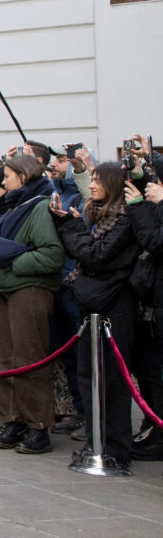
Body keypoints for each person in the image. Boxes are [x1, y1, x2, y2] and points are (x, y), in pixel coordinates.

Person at [51, 161, 142, 469]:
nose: (91, 185)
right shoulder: (98, 215)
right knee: (89, 376)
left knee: (113, 381)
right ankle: (96, 441)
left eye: (97, 180)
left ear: (113, 185)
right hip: (94, 308)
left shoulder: (124, 218)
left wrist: (71, 227)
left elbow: (96, 255)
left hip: (115, 308)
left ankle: (114, 447)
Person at [0, 154, 64, 454]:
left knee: (28, 360)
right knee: (3, 360)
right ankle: (14, 420)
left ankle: (38, 426)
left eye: (7, 175)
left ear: (24, 175)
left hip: (29, 291)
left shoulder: (41, 207)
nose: (3, 182)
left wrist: (13, 263)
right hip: (6, 290)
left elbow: (52, 255)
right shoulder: (15, 207)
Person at [126, 168, 163, 461]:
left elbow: (155, 240)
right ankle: (153, 426)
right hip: (151, 302)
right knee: (148, 371)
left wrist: (148, 206)